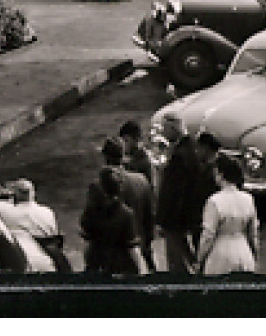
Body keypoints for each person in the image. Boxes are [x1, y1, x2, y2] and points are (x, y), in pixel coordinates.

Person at [85, 137, 157, 273]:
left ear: (105, 157)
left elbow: (91, 224)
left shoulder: (97, 187)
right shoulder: (141, 180)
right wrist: (146, 246)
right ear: (123, 155)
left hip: (108, 259)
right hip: (138, 253)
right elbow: (150, 218)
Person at [154, 112, 208, 273]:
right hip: (190, 215)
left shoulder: (179, 156)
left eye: (164, 128)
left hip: (175, 220)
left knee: (177, 261)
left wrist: (164, 219)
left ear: (173, 128)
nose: (163, 133)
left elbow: (173, 192)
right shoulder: (191, 148)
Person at [197, 153, 260, 275]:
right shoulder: (248, 199)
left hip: (220, 256)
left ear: (221, 175)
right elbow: (253, 234)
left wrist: (200, 258)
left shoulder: (214, 201)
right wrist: (254, 255)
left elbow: (208, 236)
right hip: (244, 252)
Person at [79, 167, 147, 275]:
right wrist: (143, 271)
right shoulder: (125, 213)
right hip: (121, 268)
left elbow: (87, 246)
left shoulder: (91, 211)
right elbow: (133, 249)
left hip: (97, 265)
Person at [0, 178, 70, 273]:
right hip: (48, 254)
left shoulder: (1, 208)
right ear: (33, 193)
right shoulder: (47, 212)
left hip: (19, 255)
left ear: (14, 194)